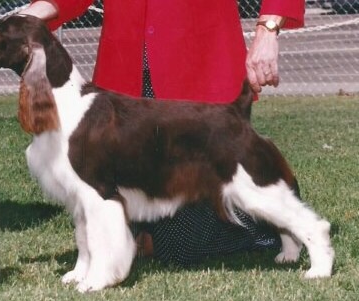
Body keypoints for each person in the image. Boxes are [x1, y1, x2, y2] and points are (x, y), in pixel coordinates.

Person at [21, 0, 304, 265]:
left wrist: (269, 29)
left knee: (180, 247)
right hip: (125, 80)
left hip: (198, 69)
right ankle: (147, 228)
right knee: (121, 215)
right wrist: (27, 17)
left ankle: (276, 195)